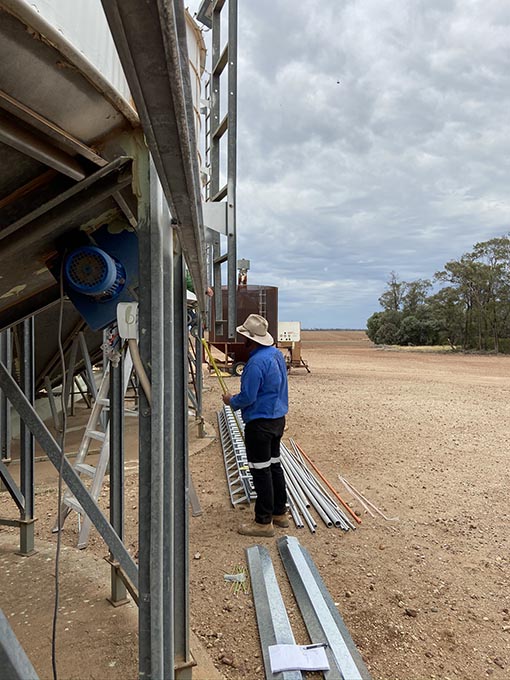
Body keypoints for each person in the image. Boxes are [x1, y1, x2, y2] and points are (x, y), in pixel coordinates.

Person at [222, 314, 289, 537]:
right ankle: (280, 513)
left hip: (259, 423)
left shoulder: (256, 363)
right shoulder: (276, 355)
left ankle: (263, 522)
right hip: (277, 419)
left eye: (244, 338)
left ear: (251, 340)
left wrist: (231, 400)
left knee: (261, 471)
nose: (243, 342)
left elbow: (248, 396)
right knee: (274, 466)